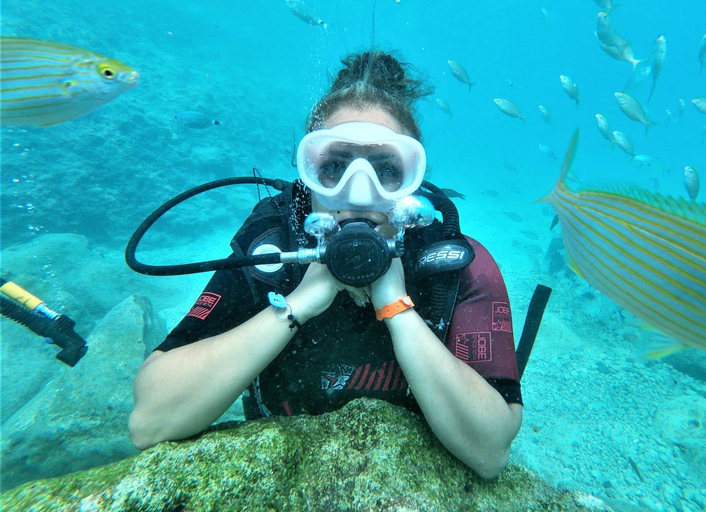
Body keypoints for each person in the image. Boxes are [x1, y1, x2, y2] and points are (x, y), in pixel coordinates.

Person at [129, 50, 523, 479]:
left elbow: (491, 451)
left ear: (412, 178)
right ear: (307, 171)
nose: (358, 194)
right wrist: (302, 301)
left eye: (387, 170)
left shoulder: (450, 262)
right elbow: (150, 421)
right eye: (334, 167)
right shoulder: (273, 248)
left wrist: (396, 307)